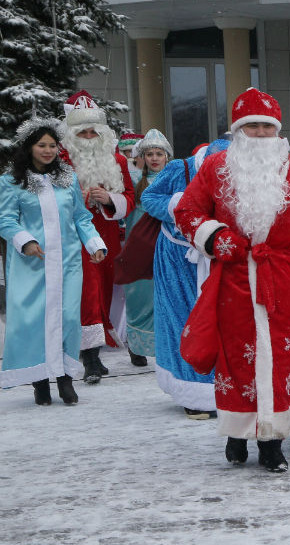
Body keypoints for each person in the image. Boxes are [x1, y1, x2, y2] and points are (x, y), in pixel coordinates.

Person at [173, 87, 290, 473]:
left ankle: (273, 441)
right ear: (238, 131)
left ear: (277, 131)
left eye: (266, 126)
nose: (260, 133)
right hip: (234, 279)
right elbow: (188, 210)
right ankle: (236, 430)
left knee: (282, 357)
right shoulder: (215, 167)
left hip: (285, 280)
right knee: (237, 359)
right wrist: (217, 237)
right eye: (252, 126)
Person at [0, 118, 106, 404]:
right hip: (32, 263)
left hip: (68, 261)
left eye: (52, 145)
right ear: (29, 147)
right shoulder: (11, 181)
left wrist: (94, 243)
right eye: (41, 145)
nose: (48, 151)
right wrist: (26, 240)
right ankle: (39, 381)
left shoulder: (67, 179)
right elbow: (6, 219)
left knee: (69, 318)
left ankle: (65, 378)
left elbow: (81, 217)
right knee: (34, 320)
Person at [141, 140, 229, 419]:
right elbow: (148, 198)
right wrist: (178, 203)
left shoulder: (242, 174)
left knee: (219, 323)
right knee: (184, 321)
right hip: (177, 257)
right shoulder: (180, 168)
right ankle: (194, 394)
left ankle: (222, 389)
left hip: (217, 255)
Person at [59, 92, 135, 383]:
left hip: (106, 236)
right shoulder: (62, 159)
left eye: (94, 131)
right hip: (74, 237)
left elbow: (130, 198)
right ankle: (90, 357)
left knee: (102, 291)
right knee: (87, 292)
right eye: (83, 132)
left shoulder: (115, 159)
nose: (89, 137)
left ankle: (94, 351)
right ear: (72, 134)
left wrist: (110, 199)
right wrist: (75, 199)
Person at [121, 129, 172, 366]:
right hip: (140, 246)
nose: (154, 158)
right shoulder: (133, 181)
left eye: (159, 153)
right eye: (149, 154)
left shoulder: (176, 179)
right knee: (139, 297)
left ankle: (165, 344)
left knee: (166, 296)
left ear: (167, 157)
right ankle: (136, 344)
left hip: (169, 246)